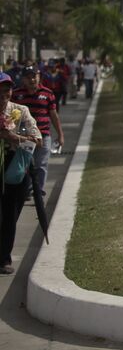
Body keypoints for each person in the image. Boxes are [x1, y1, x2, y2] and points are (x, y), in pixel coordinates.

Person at [0, 74, 43, 275]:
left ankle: (3, 259)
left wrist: (13, 137)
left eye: (7, 89)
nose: (3, 94)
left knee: (10, 216)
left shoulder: (20, 111)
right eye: (0, 90)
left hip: (15, 169)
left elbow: (37, 140)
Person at [13, 68, 62, 216]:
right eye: (28, 77)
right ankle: (26, 190)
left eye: (34, 77)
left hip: (43, 136)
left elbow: (54, 115)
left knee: (41, 165)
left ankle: (38, 191)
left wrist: (60, 135)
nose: (32, 80)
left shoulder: (47, 94)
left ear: (39, 77)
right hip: (24, 137)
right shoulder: (16, 94)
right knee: (25, 164)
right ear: (23, 79)